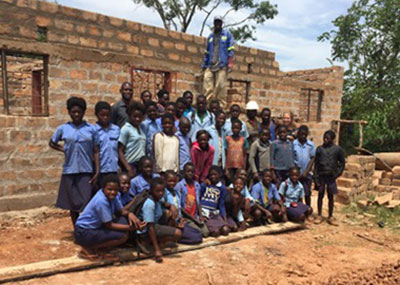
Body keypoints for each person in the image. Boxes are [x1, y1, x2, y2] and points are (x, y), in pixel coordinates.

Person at [49, 97, 100, 225]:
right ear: (69, 112)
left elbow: (96, 151)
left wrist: (97, 171)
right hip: (69, 170)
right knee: (72, 203)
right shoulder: (63, 128)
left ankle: (86, 226)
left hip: (86, 169)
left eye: (79, 112)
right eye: (73, 112)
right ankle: (76, 227)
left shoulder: (91, 129)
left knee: (86, 200)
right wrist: (63, 149)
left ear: (83, 112)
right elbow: (52, 142)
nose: (76, 114)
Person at [74, 174, 145, 261]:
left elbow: (120, 211)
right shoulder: (101, 201)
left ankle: (102, 247)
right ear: (103, 188)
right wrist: (132, 228)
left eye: (115, 189)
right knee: (122, 236)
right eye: (109, 189)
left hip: (96, 226)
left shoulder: (114, 196)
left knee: (124, 220)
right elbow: (109, 225)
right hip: (84, 231)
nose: (113, 192)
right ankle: (89, 248)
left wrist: (131, 214)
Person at [138, 177, 182, 263]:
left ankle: (157, 241)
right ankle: (152, 244)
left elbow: (163, 203)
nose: (161, 193)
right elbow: (150, 226)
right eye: (157, 191)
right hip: (146, 230)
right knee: (178, 233)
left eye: (162, 191)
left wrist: (171, 206)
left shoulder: (157, 199)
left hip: (155, 224)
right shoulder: (149, 204)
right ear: (152, 191)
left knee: (169, 213)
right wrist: (157, 250)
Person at [202, 16, 234, 109]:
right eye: (216, 22)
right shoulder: (210, 37)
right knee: (208, 85)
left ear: (221, 24)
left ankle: (221, 107)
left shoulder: (226, 35)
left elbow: (231, 49)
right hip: (210, 64)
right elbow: (207, 52)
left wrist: (230, 62)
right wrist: (204, 65)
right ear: (214, 23)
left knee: (220, 86)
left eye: (219, 22)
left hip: (222, 65)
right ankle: (207, 106)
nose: (217, 24)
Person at [314, 130, 345, 226]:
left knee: (331, 196)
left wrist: (337, 173)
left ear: (332, 139)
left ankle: (330, 216)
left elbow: (342, 163)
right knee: (320, 195)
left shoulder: (337, 150)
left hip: (331, 177)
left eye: (327, 138)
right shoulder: (319, 149)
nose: (325, 139)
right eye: (324, 137)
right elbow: (316, 164)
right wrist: (315, 177)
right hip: (321, 176)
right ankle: (319, 215)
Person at [163, 170, 203, 245]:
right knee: (196, 238)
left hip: (179, 222)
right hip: (170, 224)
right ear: (164, 181)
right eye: (170, 181)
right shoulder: (163, 193)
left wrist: (181, 219)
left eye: (174, 181)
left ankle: (177, 237)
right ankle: (172, 238)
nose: (172, 183)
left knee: (199, 233)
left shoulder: (177, 192)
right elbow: (162, 205)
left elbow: (179, 207)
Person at [176, 162, 209, 237]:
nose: (190, 174)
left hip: (195, 216)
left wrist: (200, 216)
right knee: (199, 233)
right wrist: (193, 219)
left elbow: (198, 202)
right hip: (186, 217)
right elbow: (179, 207)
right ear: (184, 172)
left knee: (206, 233)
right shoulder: (180, 186)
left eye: (192, 172)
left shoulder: (196, 185)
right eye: (188, 171)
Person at [93, 101, 120, 187]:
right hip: (100, 170)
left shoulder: (116, 129)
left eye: (107, 115)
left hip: (114, 168)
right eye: (102, 115)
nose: (105, 117)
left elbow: (119, 149)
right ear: (96, 115)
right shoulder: (93, 130)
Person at [118, 101, 146, 178]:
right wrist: (128, 168)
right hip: (130, 164)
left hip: (140, 165)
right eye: (134, 116)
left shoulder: (141, 129)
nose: (137, 119)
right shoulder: (126, 129)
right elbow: (120, 150)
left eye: (139, 116)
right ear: (129, 116)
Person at [200, 166, 230, 237]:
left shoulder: (222, 188)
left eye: (215, 175)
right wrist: (203, 184)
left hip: (214, 213)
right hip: (205, 212)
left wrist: (224, 219)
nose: (213, 177)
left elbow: (221, 205)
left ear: (219, 175)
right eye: (211, 175)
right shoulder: (206, 184)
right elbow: (199, 197)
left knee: (225, 230)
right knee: (216, 232)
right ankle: (209, 228)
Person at [294, 125, 316, 207]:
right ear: (298, 134)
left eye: (305, 134)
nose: (303, 136)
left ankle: (307, 209)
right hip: (296, 174)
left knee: (307, 193)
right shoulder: (294, 144)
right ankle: (298, 210)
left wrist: (306, 171)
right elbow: (292, 158)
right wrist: (297, 171)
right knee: (297, 193)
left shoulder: (310, 145)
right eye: (301, 134)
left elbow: (313, 158)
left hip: (307, 173)